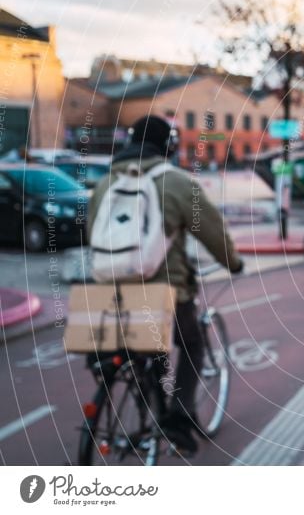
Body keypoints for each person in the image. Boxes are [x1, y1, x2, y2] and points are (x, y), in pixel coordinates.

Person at [88, 115, 244, 454]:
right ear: (167, 146)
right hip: (164, 290)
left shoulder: (106, 182)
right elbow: (213, 231)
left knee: (140, 349)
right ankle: (178, 415)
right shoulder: (175, 182)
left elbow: (93, 232)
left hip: (108, 291)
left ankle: (146, 402)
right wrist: (233, 262)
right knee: (191, 345)